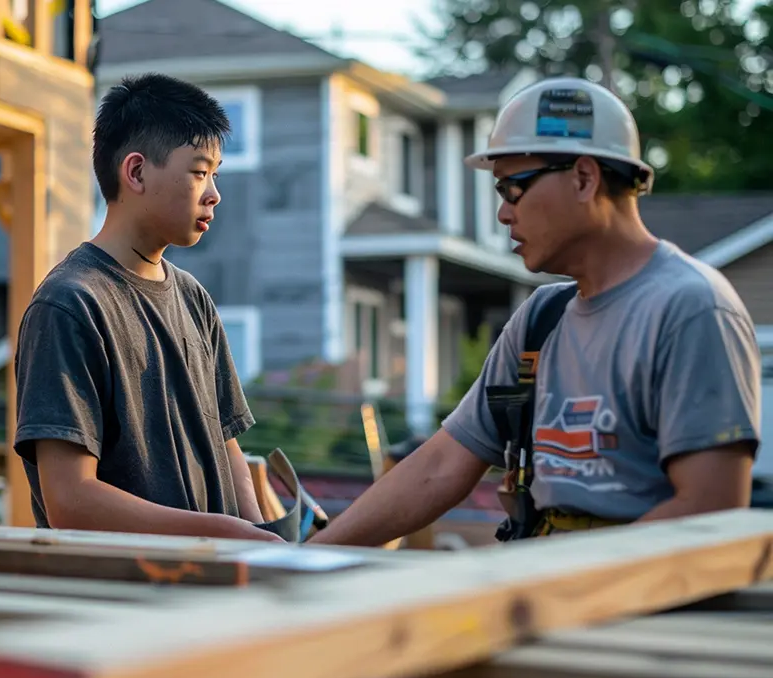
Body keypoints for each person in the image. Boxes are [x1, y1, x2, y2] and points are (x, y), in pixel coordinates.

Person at [308, 76, 762, 548]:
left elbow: (711, 509)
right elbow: (441, 466)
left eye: (511, 189)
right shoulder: (541, 320)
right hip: (546, 593)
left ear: (584, 178)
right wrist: (312, 556)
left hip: (641, 614)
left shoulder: (691, 309)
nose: (503, 214)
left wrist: (560, 587)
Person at [12, 73, 281, 542]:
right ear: (135, 172)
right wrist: (226, 535)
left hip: (210, 595)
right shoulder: (71, 304)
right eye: (200, 172)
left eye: (215, 174)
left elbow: (227, 448)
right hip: (124, 602)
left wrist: (261, 541)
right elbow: (70, 500)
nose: (214, 193)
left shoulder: (194, 298)